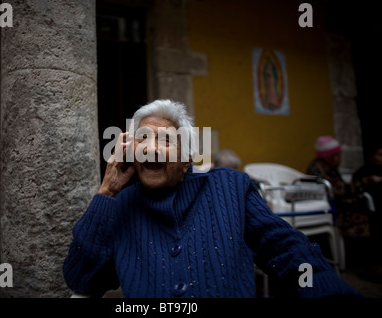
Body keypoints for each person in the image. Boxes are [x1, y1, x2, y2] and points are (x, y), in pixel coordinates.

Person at [63, 100, 361, 298]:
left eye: (166, 140)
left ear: (187, 158)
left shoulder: (230, 186)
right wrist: (107, 192)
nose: (150, 149)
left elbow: (285, 248)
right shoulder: (121, 203)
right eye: (142, 139)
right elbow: (82, 280)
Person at [306, 136, 370, 239]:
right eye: (336, 156)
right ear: (329, 157)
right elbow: (338, 190)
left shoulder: (329, 167)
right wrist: (364, 182)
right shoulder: (320, 168)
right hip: (329, 204)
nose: (339, 160)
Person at [351, 144, 382, 280]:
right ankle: (373, 267)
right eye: (379, 155)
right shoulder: (363, 172)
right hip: (369, 210)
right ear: (371, 156)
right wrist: (368, 181)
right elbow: (354, 190)